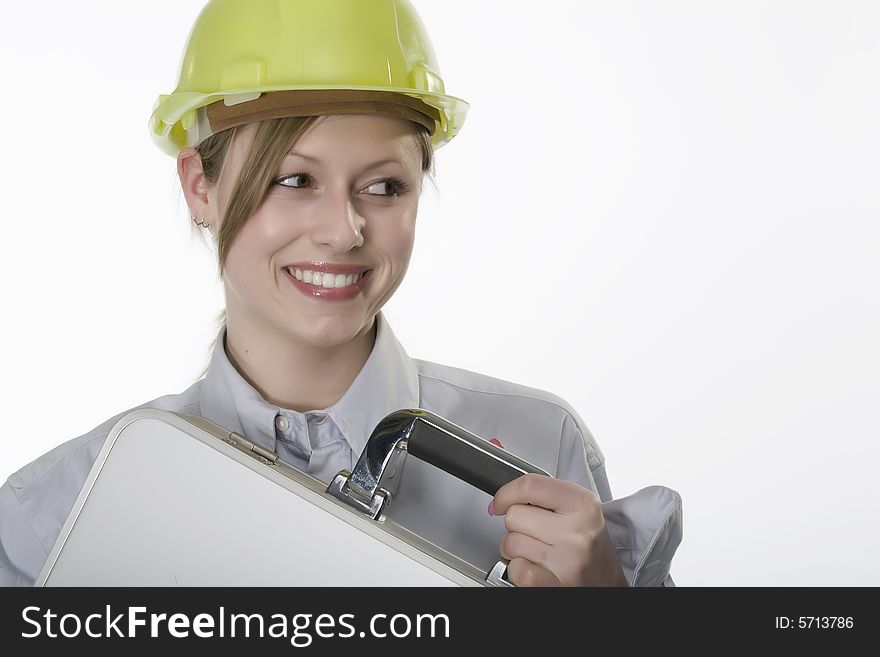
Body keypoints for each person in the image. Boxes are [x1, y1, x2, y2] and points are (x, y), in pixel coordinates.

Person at [0, 0, 681, 587]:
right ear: (199, 185)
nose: (343, 230)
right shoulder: (62, 508)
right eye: (294, 180)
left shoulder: (540, 451)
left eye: (385, 186)